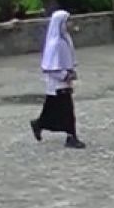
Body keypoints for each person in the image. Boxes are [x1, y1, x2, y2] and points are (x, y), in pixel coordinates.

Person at [30, 9, 85, 149]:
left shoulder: (64, 39)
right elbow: (50, 67)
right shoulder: (55, 44)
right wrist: (65, 75)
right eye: (68, 21)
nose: (71, 24)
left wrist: (71, 72)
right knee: (66, 111)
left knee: (52, 110)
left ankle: (39, 124)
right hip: (57, 85)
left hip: (63, 84)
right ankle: (71, 136)